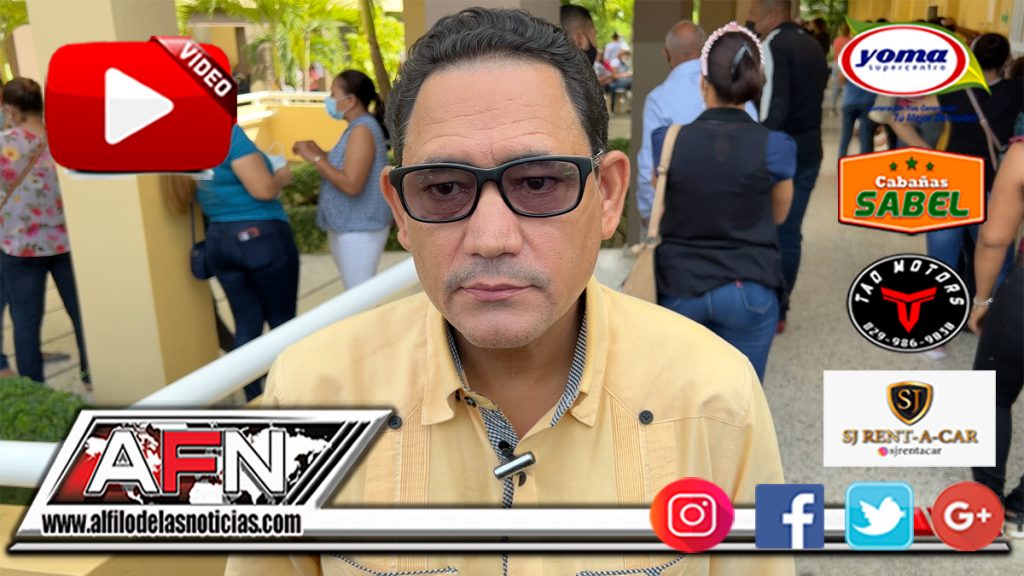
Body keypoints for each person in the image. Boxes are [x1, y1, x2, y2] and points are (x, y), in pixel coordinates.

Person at [226, 8, 789, 576]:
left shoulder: (720, 397)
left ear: (608, 195)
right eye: (442, 188)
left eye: (538, 182)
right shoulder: (304, 397)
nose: (491, 238)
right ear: (400, 210)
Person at [651, 22, 795, 382]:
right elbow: (779, 215)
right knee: (741, 399)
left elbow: (661, 206)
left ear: (704, 84)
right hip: (750, 286)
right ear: (753, 86)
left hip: (680, 285)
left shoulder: (666, 142)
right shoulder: (776, 146)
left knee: (679, 397)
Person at [191, 124, 298, 401]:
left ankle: (253, 398)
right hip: (261, 236)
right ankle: (288, 393)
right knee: (282, 322)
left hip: (219, 240)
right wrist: (281, 176)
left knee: (246, 325)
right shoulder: (227, 133)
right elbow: (263, 190)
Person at [0, 78, 89, 387]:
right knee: (81, 313)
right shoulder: (66, 139)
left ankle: (33, 387)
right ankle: (91, 375)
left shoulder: (4, 144)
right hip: (66, 242)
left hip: (19, 246)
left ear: (11, 109)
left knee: (26, 322)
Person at [748, 0, 828, 333]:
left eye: (754, 17)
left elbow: (773, 108)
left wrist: (754, 144)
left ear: (772, 15)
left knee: (768, 229)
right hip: (811, 149)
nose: (752, 23)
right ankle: (781, 309)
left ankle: (763, 305)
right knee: (791, 231)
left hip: (780, 152)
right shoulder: (812, 44)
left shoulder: (774, 44)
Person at [636, 21, 758, 224]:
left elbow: (649, 166)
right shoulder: (737, 94)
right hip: (735, 215)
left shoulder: (659, 99)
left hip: (679, 218)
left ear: (666, 54)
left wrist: (650, 214)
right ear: (706, 51)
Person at [967, 139, 1024, 539]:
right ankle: (1021, 508)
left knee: (991, 395)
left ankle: (986, 503)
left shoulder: (1021, 154)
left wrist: (983, 300)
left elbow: (993, 238)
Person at [934, 33, 1022, 291]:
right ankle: (987, 309)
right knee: (997, 258)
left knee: (941, 262)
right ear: (1006, 60)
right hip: (992, 182)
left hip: (951, 180)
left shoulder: (952, 90)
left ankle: (941, 308)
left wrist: (926, 151)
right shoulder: (1016, 91)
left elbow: (899, 119)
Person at [292, 70, 392, 289]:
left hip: (360, 228)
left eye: (333, 94)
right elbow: (347, 165)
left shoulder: (362, 130)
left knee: (359, 297)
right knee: (356, 293)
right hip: (351, 226)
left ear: (350, 100)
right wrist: (320, 153)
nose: (329, 100)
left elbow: (351, 184)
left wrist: (315, 158)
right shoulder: (357, 128)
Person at [837, 77, 877, 157]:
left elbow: (841, 79)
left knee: (846, 134)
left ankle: (841, 158)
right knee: (865, 135)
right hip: (868, 100)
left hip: (849, 100)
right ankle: (865, 161)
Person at [829, 22, 851, 113]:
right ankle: (845, 107)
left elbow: (834, 51)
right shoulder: (851, 40)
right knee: (846, 87)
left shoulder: (837, 40)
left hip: (836, 64)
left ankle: (832, 107)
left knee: (835, 86)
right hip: (845, 65)